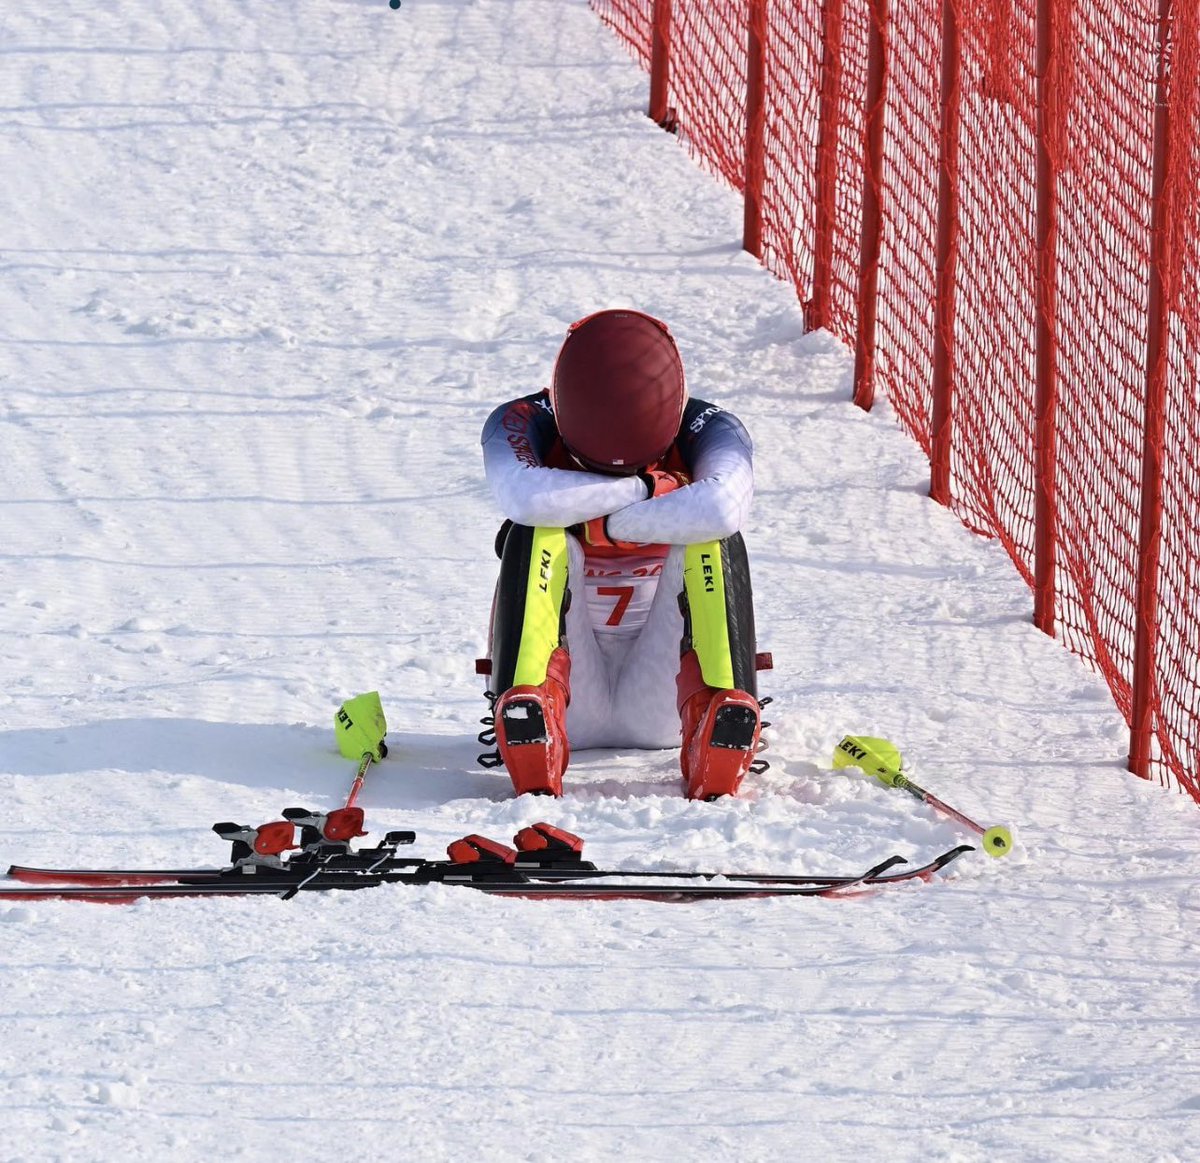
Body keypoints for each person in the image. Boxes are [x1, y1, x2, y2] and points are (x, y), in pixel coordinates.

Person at [477, 308, 769, 800]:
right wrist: (652, 490)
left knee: (712, 538)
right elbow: (528, 497)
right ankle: (532, 718)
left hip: (664, 691)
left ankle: (716, 718)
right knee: (537, 531)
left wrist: (595, 514)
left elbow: (722, 508)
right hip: (569, 689)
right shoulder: (521, 420)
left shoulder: (713, 426)